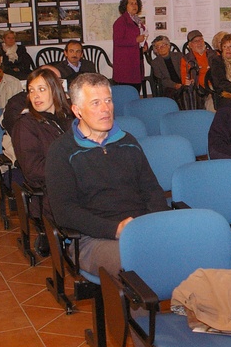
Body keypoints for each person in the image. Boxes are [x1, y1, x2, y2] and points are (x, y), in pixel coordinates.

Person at [45, 73, 169, 276]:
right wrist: (115, 229)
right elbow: (65, 211)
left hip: (140, 228)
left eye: (108, 101)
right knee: (138, 263)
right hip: (93, 239)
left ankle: (185, 305)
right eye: (95, 103)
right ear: (77, 110)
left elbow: (151, 190)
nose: (105, 109)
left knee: (191, 248)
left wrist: (150, 224)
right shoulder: (62, 151)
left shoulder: (127, 141)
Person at [11, 67, 73, 191]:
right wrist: (75, 166)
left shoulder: (68, 118)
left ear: (55, 90)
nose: (35, 96)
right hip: (51, 192)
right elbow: (33, 171)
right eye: (31, 91)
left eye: (42, 89)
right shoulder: (25, 125)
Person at [112, 0, 147, 90]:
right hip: (126, 63)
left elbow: (142, 35)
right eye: (131, 3)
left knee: (136, 89)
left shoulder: (137, 20)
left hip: (136, 60)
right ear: (125, 6)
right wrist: (135, 40)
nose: (134, 6)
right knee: (127, 91)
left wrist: (144, 45)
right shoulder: (120, 22)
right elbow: (118, 41)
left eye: (136, 3)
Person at [149, 35, 183, 99]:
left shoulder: (179, 56)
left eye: (163, 45)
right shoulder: (155, 63)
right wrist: (174, 85)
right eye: (158, 47)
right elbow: (162, 79)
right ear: (156, 50)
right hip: (169, 87)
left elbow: (186, 70)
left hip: (183, 82)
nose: (161, 48)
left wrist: (185, 82)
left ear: (168, 46)